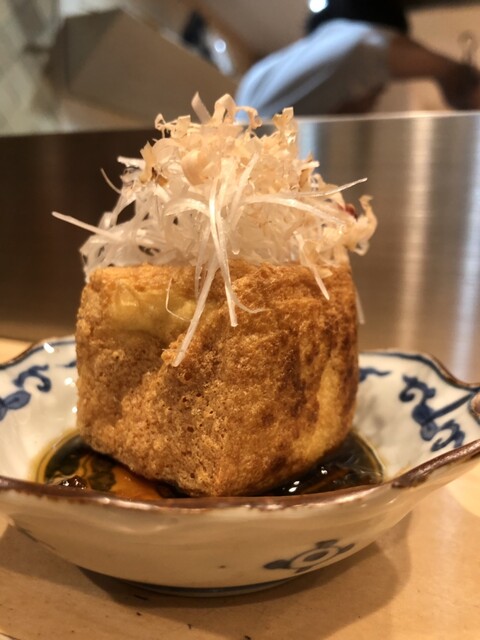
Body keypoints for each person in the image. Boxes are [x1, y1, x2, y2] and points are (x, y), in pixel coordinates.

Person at [235, 0, 480, 117]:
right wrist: (452, 72)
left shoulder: (259, 77)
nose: (372, 101)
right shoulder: (354, 46)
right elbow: (367, 46)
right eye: (375, 87)